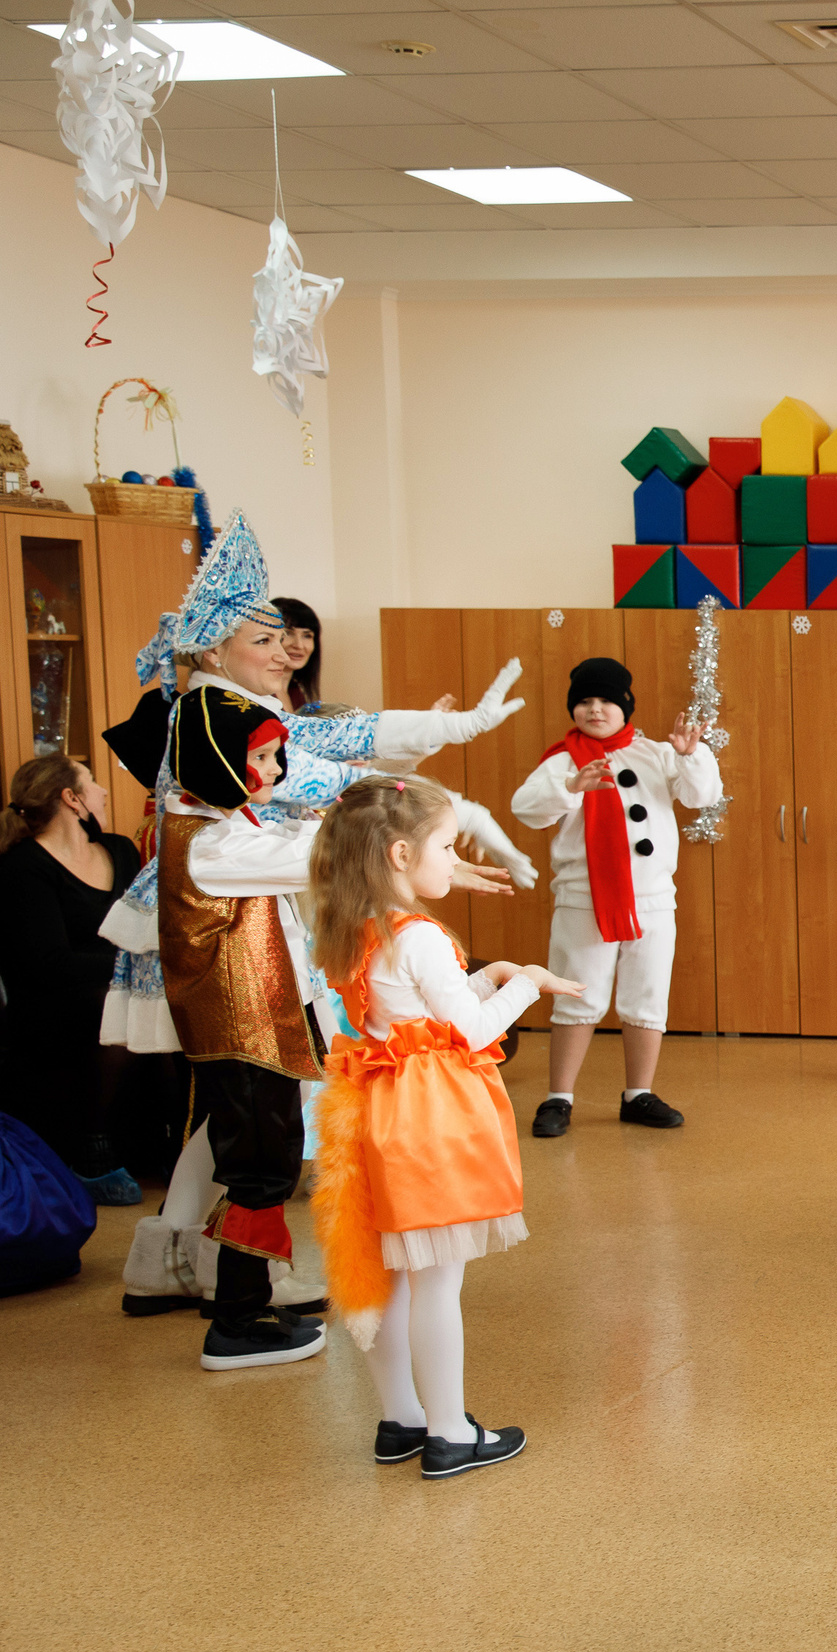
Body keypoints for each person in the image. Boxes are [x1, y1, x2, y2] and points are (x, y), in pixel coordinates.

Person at [105, 515, 532, 1317]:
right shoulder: (214, 720)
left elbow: (327, 750)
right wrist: (427, 820)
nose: (282, 652)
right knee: (253, 1124)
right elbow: (324, 767)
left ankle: (179, 1262)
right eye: (261, 639)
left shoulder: (222, 712)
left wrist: (434, 780)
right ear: (210, 648)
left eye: (283, 638)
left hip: (248, 929)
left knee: (233, 1115)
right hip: (229, 944)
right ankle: (233, 1287)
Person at [309, 775, 570, 1480]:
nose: (453, 862)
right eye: (446, 847)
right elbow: (473, 1031)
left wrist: (486, 978)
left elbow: (414, 1015)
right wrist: (526, 985)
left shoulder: (355, 926)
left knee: (391, 1273)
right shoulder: (420, 936)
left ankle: (401, 1418)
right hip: (428, 1120)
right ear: (399, 854)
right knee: (435, 1282)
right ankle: (451, 1431)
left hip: (376, 1109)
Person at [157, 687, 335, 1370]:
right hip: (240, 1032)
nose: (275, 770)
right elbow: (301, 861)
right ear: (218, 761)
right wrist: (334, 823)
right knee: (258, 1166)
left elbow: (281, 847)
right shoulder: (206, 841)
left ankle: (248, 1307)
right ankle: (233, 1324)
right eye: (260, 757)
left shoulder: (222, 822)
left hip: (258, 1025)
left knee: (266, 1160)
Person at [512, 657, 720, 1137]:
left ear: (625, 706)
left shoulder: (656, 753)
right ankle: (558, 1098)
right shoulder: (562, 760)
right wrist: (570, 788)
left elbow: (702, 795)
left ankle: (638, 1094)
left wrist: (691, 754)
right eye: (584, 701)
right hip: (583, 900)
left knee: (647, 998)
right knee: (575, 996)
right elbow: (526, 810)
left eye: (606, 700)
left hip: (651, 900)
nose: (595, 708)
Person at [0, 756, 144, 1203]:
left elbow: (145, 922)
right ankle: (92, 1147)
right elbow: (48, 962)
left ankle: (172, 1145)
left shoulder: (121, 849)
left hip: (116, 981)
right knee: (115, 1003)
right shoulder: (23, 866)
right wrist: (129, 968)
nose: (102, 791)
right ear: (72, 798)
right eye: (93, 783)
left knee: (163, 1000)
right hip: (50, 1002)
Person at [271, 596, 321, 711]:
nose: (299, 645)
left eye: (307, 636)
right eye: (288, 633)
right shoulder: (258, 693)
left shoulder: (296, 692)